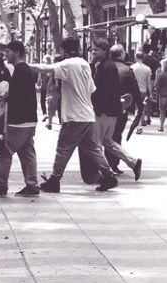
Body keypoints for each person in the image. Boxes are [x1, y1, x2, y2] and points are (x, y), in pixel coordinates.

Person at [28, 37, 118, 193]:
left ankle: (54, 180)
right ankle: (109, 175)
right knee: (92, 148)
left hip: (74, 116)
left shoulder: (68, 64)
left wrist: (24, 65)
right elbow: (92, 89)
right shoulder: (85, 65)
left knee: (63, 148)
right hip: (87, 115)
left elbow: (45, 68)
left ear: (64, 50)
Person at [0, 41, 40, 197]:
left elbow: (18, 96)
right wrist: (4, 95)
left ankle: (0, 185)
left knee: (4, 150)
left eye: (8, 52)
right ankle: (32, 185)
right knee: (26, 151)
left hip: (19, 120)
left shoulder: (20, 70)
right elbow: (21, 93)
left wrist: (3, 99)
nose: (5, 55)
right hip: (30, 119)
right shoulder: (24, 70)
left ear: (16, 53)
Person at [92, 44, 143, 180]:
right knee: (112, 138)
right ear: (121, 54)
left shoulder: (103, 67)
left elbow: (98, 89)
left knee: (98, 141)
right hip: (120, 109)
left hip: (104, 109)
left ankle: (107, 170)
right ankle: (118, 164)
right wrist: (140, 108)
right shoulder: (127, 69)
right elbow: (135, 91)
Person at [130, 52, 153, 130]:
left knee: (137, 108)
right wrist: (150, 93)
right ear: (142, 58)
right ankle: (141, 121)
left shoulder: (132, 67)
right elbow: (149, 82)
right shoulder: (147, 69)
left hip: (134, 90)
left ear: (136, 57)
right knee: (141, 108)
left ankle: (138, 126)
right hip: (143, 91)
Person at [43, 55, 61, 130]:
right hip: (56, 90)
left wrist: (55, 88)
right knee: (58, 107)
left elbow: (56, 80)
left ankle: (49, 123)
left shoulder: (55, 69)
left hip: (54, 91)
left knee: (51, 107)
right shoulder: (59, 68)